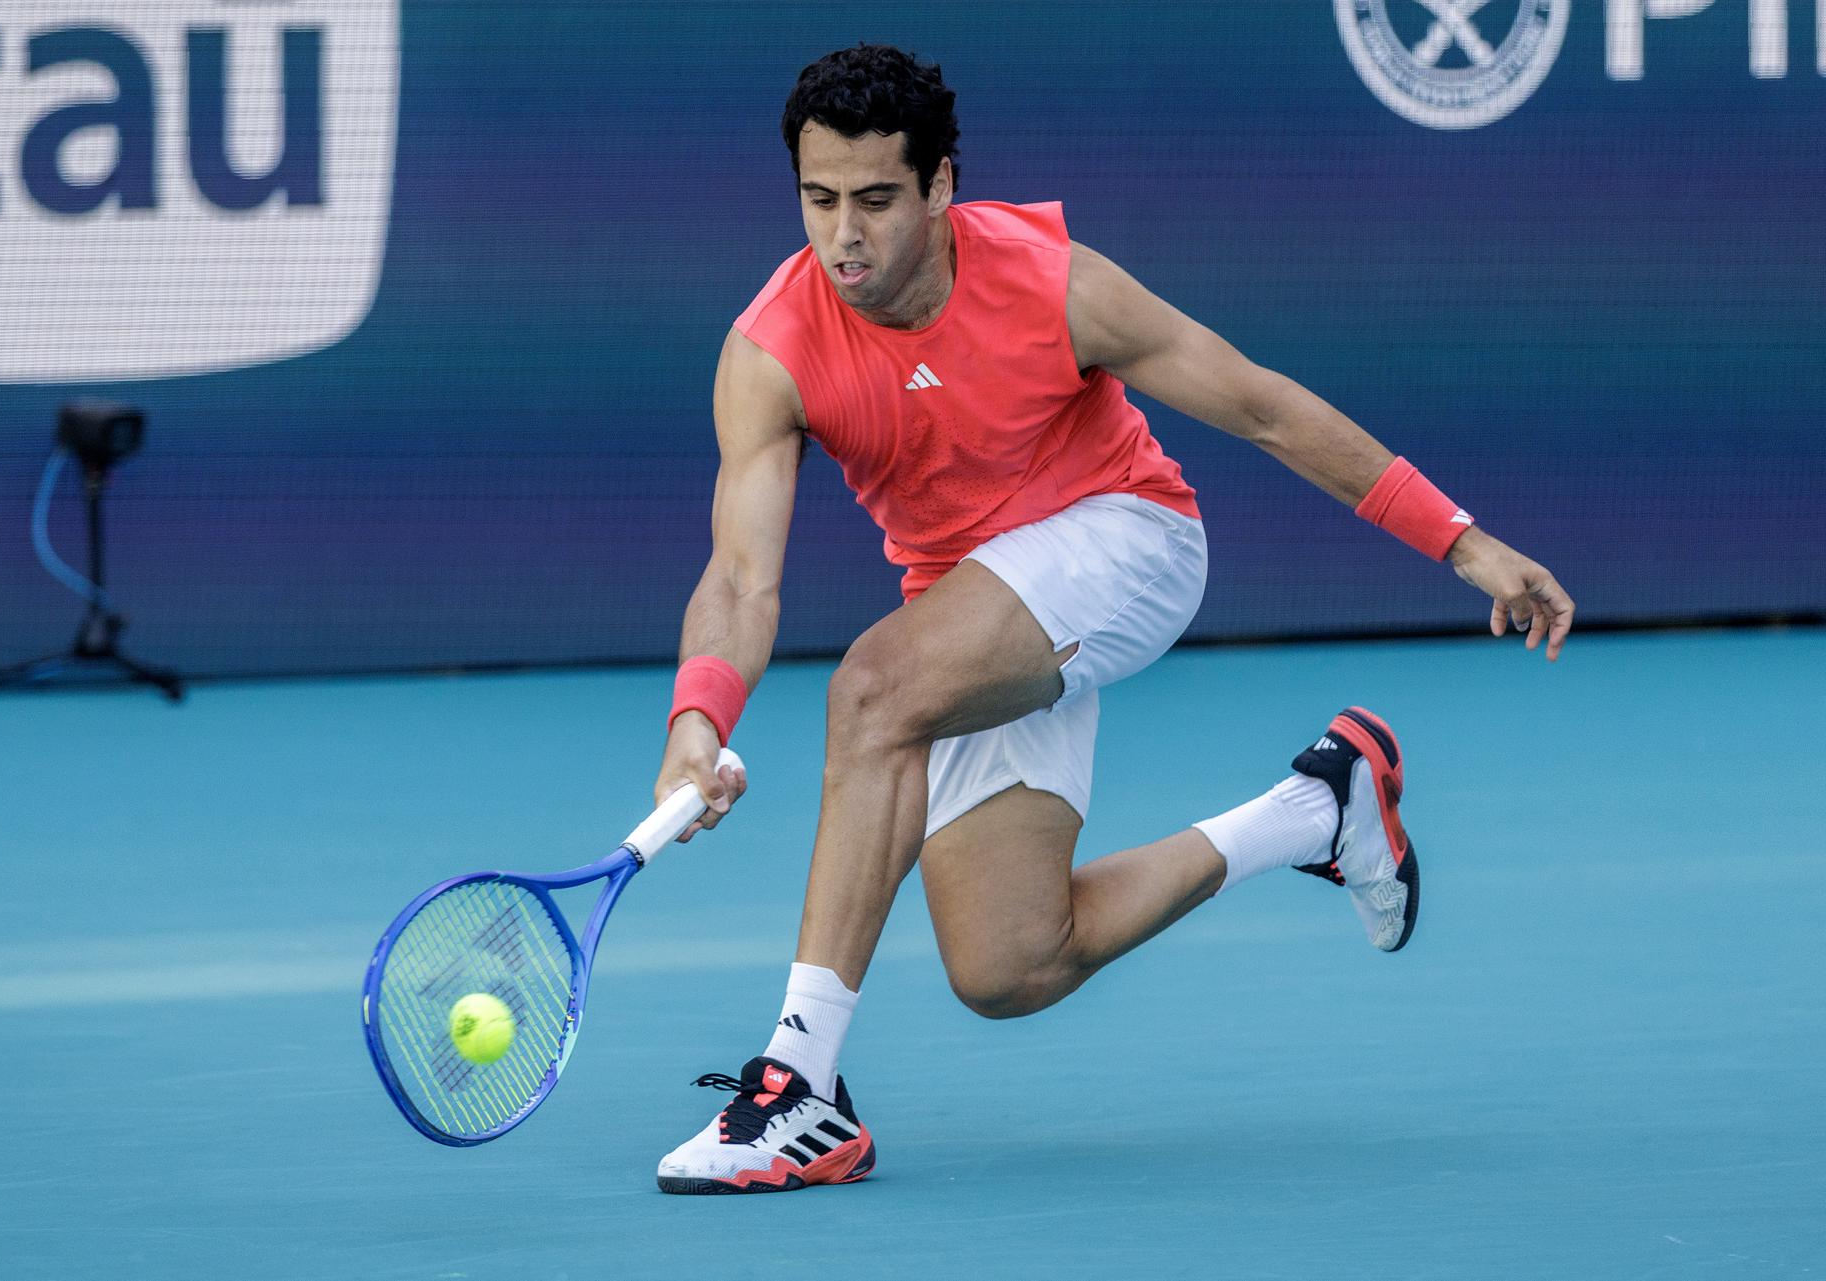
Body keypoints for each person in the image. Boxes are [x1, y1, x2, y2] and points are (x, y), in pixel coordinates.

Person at [650, 44, 1574, 1195]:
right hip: (974, 606)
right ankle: (1318, 807)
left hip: (1126, 542)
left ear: (941, 186)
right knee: (1010, 963)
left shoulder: (1054, 283)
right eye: (820, 199)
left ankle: (799, 1089)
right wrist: (700, 718)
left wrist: (1464, 541)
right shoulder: (772, 347)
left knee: (873, 692)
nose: (845, 237)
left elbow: (1263, 408)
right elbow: (741, 575)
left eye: (877, 200)